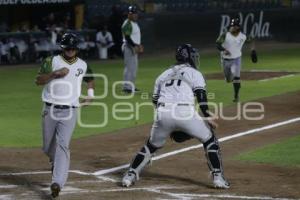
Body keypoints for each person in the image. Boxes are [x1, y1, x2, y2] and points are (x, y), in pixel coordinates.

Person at [121, 44, 230, 189]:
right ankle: (218, 178)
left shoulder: (162, 75)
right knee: (210, 139)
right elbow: (201, 95)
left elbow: (155, 100)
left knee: (150, 146)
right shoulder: (194, 73)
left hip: (163, 112)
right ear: (190, 57)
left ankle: (130, 175)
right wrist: (206, 114)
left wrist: (167, 123)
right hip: (185, 113)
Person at [35, 33, 95, 198]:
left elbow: (90, 79)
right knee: (48, 147)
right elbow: (38, 80)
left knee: (63, 145)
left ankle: (57, 183)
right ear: (62, 48)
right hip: (50, 109)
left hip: (70, 110)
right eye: (67, 47)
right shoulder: (51, 61)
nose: (70, 50)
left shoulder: (82, 64)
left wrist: (90, 94)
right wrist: (54, 74)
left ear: (77, 48)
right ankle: (55, 163)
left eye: (73, 47)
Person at [216, 18, 257, 102]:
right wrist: (224, 50)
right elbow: (218, 44)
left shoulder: (243, 36)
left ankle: (236, 96)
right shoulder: (225, 35)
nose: (232, 27)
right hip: (225, 60)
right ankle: (229, 78)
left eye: (234, 26)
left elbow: (251, 40)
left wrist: (253, 50)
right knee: (228, 79)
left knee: (237, 77)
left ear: (238, 27)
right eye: (231, 26)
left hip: (237, 59)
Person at [121, 5, 144, 94]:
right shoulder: (127, 24)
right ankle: (126, 87)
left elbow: (134, 36)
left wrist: (138, 45)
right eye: (132, 13)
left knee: (134, 68)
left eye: (135, 13)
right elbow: (127, 37)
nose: (134, 15)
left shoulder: (134, 23)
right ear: (128, 14)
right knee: (129, 68)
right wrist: (135, 46)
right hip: (128, 46)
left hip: (133, 47)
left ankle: (131, 86)